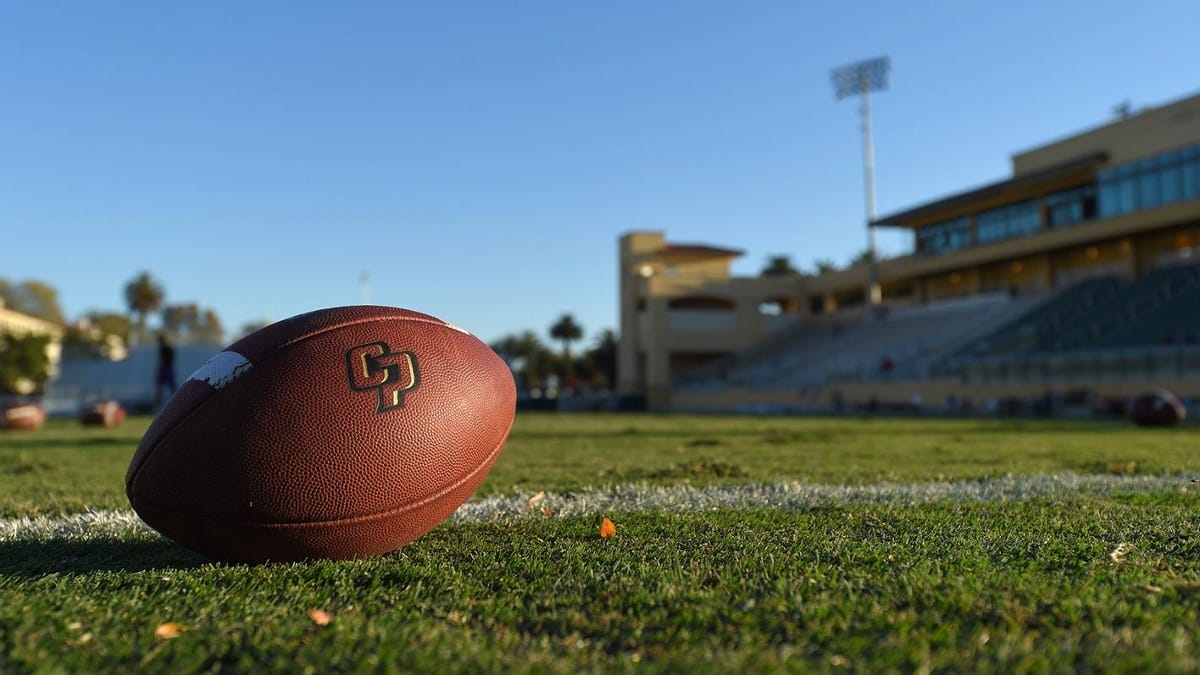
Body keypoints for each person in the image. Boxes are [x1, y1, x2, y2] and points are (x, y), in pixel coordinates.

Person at [155, 333, 177, 408]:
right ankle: (158, 404)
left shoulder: (165, 348)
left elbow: (165, 360)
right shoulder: (164, 348)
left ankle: (176, 402)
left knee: (168, 387)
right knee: (162, 388)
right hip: (166, 369)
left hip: (166, 369)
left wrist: (160, 369)